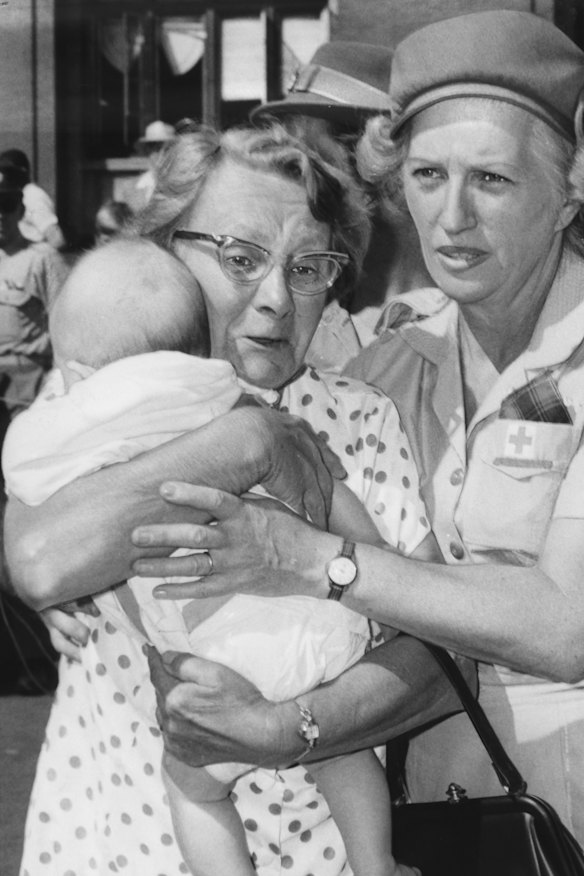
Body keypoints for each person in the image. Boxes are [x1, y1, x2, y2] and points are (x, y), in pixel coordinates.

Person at [113, 9, 584, 852]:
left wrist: (313, 558)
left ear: (569, 191)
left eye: (494, 180)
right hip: (437, 819)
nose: (453, 218)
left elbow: (564, 628)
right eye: (429, 176)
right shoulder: (389, 367)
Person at [5, 124, 445, 876]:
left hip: (316, 851)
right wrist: (249, 444)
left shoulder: (366, 418)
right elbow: (43, 561)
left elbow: (438, 650)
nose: (276, 298)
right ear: (166, 250)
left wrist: (286, 726)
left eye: (309, 267)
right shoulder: (100, 400)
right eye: (241, 259)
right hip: (110, 839)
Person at [251, 40, 432, 370]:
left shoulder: (445, 297)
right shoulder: (318, 278)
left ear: (366, 152)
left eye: (309, 155)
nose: (294, 175)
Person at [0, 153, 69, 418]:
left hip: (25, 381)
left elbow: (65, 326)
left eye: (6, 204)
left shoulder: (42, 259)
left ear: (19, 209)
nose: (0, 215)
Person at [0, 149, 66, 251]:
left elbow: (57, 240)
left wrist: (30, 256)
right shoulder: (13, 195)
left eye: (7, 172)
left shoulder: (33, 196)